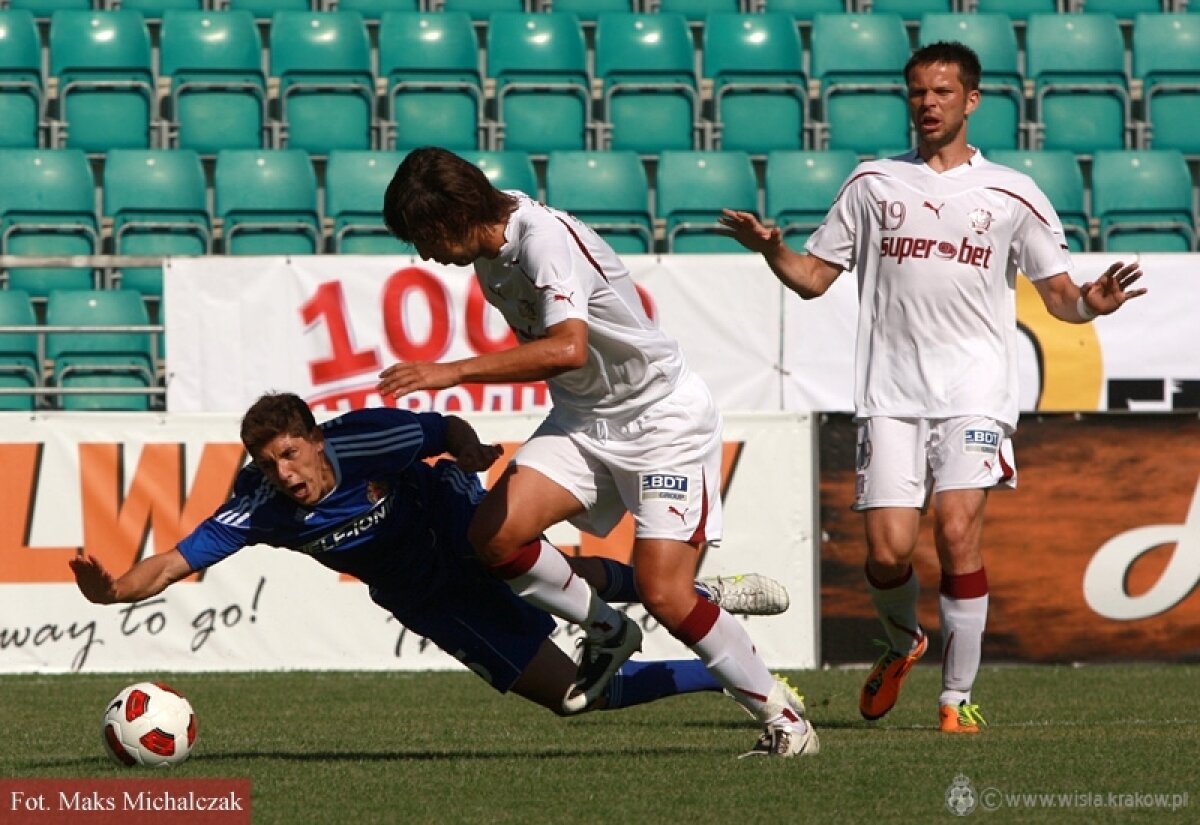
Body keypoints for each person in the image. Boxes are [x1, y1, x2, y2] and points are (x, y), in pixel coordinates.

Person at [721, 41, 1145, 734]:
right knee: (887, 552)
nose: (927, 104)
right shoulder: (873, 183)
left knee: (956, 530)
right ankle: (903, 641)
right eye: (917, 92)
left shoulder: (1012, 192)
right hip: (890, 394)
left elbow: (1061, 297)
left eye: (942, 92)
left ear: (971, 100)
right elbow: (812, 279)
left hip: (975, 391)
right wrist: (772, 249)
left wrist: (1093, 301)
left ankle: (956, 698)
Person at [379, 147, 817, 758]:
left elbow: (567, 350)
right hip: (586, 421)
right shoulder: (491, 243)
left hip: (661, 419)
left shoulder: (543, 241)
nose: (425, 255)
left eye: (423, 237)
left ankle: (785, 721)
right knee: (494, 538)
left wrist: (452, 372)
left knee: (668, 595)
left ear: (453, 214)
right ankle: (608, 628)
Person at [70, 393, 794, 719]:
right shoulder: (259, 505)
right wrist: (112, 592)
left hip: (449, 518)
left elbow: (439, 427)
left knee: (502, 556)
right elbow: (170, 561)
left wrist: (472, 449)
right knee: (580, 697)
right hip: (422, 595)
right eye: (268, 461)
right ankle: (717, 667)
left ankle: (685, 595)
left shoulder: (368, 438)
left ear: (316, 440)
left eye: (289, 453)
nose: (283, 472)